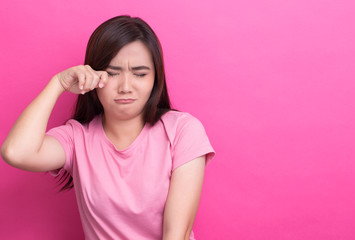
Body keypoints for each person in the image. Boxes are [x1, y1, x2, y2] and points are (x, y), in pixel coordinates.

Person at [1, 15, 215, 240]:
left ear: (155, 79)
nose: (125, 87)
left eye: (140, 74)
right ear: (93, 75)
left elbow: (176, 235)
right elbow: (16, 152)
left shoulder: (182, 130)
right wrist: (58, 84)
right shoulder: (77, 138)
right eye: (112, 73)